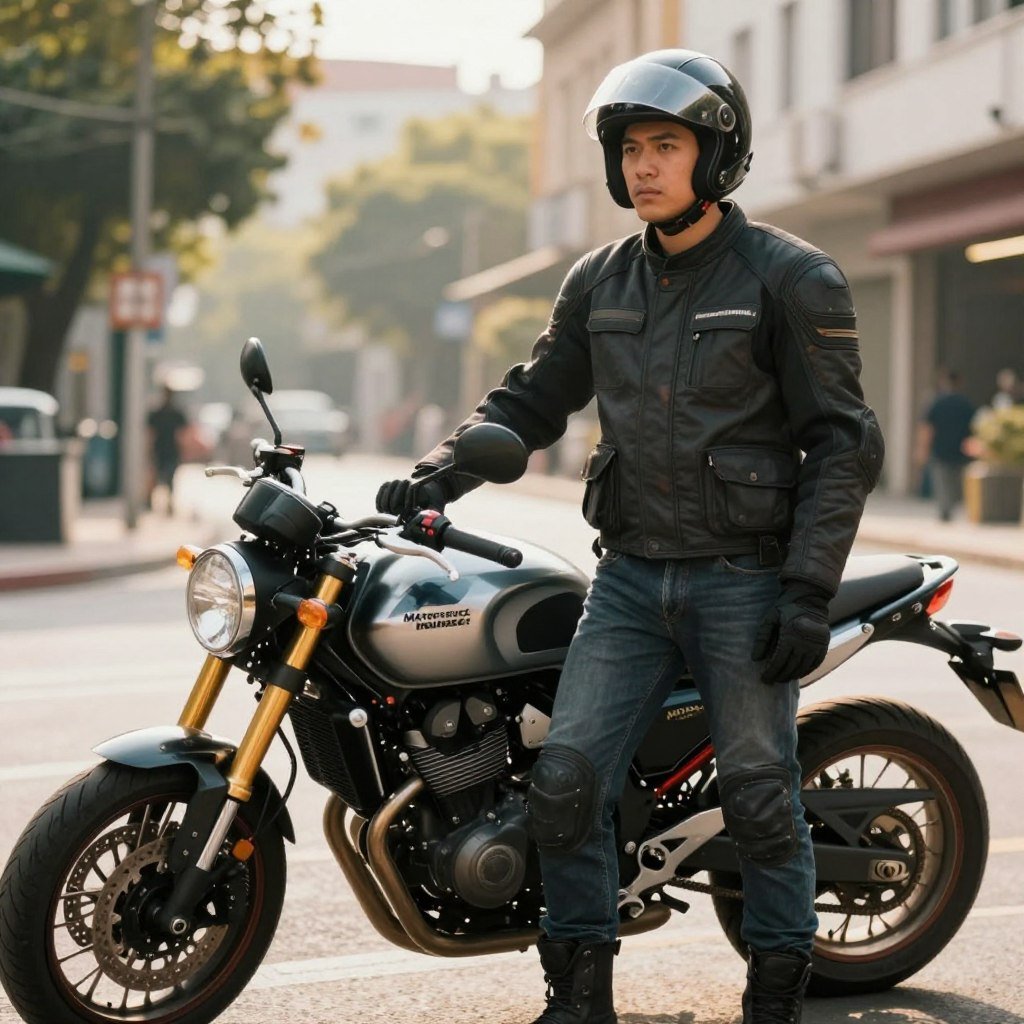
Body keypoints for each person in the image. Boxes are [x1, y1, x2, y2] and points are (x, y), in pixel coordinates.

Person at [376, 49, 884, 1024]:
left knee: (759, 794)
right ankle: (579, 999)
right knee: (566, 782)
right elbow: (531, 400)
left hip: (745, 579)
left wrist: (807, 589)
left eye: (666, 146)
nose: (643, 165)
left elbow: (842, 443)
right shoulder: (599, 281)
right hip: (628, 582)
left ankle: (775, 996)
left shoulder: (789, 278)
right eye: (630, 149)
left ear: (715, 156)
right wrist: (439, 470)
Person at [915, 369, 975, 522]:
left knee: (942, 481)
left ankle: (945, 509)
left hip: (940, 449)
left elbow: (927, 428)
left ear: (944, 382)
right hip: (960, 450)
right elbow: (973, 428)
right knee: (956, 481)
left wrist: (922, 449)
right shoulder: (966, 404)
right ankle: (954, 505)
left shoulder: (937, 403)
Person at [147, 385, 188, 516]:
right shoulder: (160, 413)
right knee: (159, 477)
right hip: (162, 449)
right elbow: (151, 433)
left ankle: (166, 504)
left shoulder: (173, 413)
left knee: (168, 478)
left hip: (169, 449)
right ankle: (152, 502)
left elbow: (182, 433)